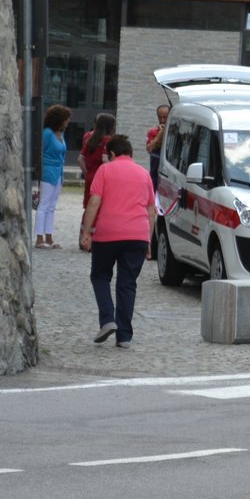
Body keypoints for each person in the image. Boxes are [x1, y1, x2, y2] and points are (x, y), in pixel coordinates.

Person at [78, 135, 156, 349]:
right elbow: (151, 210)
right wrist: (148, 239)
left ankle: (107, 320)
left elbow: (94, 202)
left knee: (100, 275)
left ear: (111, 154)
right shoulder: (144, 174)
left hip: (108, 234)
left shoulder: (105, 170)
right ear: (130, 153)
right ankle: (124, 336)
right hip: (138, 234)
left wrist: (86, 232)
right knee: (127, 283)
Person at [36, 104, 71, 249]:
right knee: (43, 205)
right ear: (59, 119)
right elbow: (39, 152)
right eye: (66, 119)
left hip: (58, 174)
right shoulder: (47, 134)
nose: (68, 121)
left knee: (51, 206)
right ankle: (39, 238)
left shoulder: (60, 134)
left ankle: (49, 237)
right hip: (48, 172)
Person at [80, 112, 116, 207]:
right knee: (99, 206)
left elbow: (80, 159)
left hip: (90, 176)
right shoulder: (108, 139)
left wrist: (87, 173)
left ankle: (85, 222)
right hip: (101, 178)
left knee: (88, 205)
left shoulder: (90, 139)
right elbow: (105, 159)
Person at [145, 104, 169, 189]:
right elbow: (149, 149)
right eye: (160, 117)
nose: (162, 120)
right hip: (155, 175)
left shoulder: (174, 133)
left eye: (165, 117)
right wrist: (159, 135)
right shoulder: (153, 132)